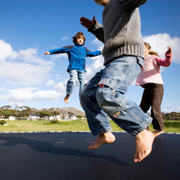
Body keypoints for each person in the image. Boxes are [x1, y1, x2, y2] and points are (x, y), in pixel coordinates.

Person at [80, 0, 154, 163]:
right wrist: (94, 28)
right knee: (87, 95)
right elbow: (110, 38)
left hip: (128, 57)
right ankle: (104, 132)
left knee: (107, 93)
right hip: (111, 61)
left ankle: (142, 130)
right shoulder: (106, 11)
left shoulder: (121, 1)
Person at [45, 32, 101, 103]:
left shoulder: (85, 49)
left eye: (82, 39)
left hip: (82, 69)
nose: (80, 40)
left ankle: (82, 98)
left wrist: (101, 51)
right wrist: (50, 52)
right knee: (73, 80)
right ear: (75, 40)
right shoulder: (71, 48)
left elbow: (92, 53)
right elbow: (60, 50)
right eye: (79, 38)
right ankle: (68, 94)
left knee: (83, 82)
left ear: (83, 41)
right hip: (73, 68)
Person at [136, 42, 172, 137]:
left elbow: (166, 63)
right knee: (141, 109)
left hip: (156, 85)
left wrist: (168, 55)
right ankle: (145, 129)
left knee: (155, 108)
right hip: (148, 87)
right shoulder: (139, 61)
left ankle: (159, 129)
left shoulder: (153, 58)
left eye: (142, 48)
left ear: (148, 49)